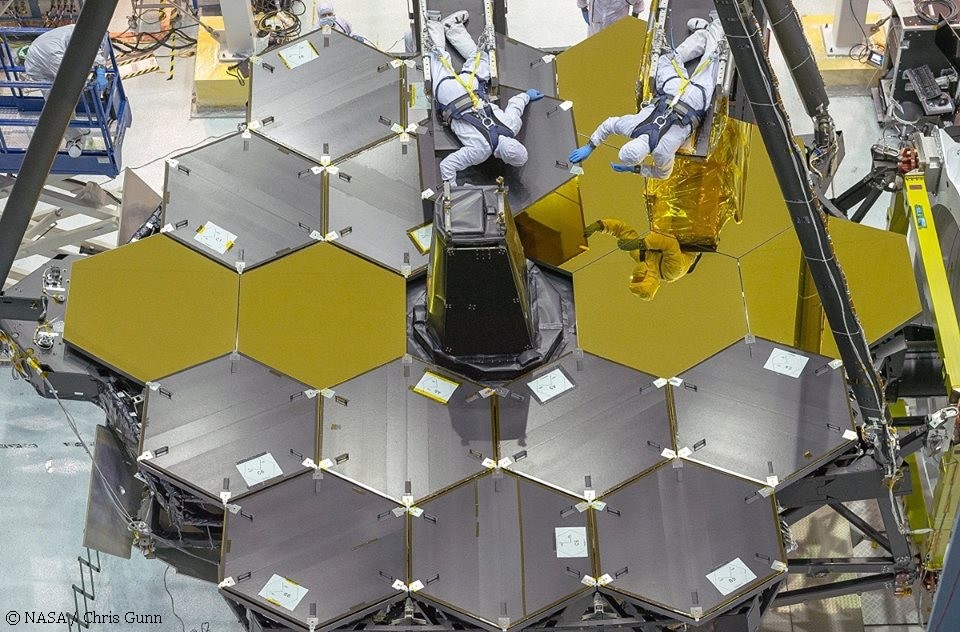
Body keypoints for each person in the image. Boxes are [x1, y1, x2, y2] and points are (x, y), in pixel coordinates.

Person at [569, 15, 724, 180]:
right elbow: (608, 125)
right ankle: (704, 34)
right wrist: (591, 146)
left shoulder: (662, 153)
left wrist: (635, 170)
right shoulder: (631, 127)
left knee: (711, 63)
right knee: (668, 60)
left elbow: (662, 174)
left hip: (695, 101)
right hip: (673, 90)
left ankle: (712, 29)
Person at [427, 11, 544, 185]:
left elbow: (515, 105)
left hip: (471, 88)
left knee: (482, 59)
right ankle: (434, 24)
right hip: (449, 96)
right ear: (504, 159)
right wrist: (454, 190)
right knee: (439, 59)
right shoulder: (480, 152)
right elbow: (447, 165)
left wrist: (526, 95)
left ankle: (453, 27)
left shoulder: (512, 126)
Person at [23, 24, 108, 159]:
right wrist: (85, 83)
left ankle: (76, 129)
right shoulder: (56, 55)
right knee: (59, 103)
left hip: (48, 51)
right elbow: (69, 79)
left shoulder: (88, 28)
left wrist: (101, 69)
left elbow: (96, 48)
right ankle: (73, 139)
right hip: (41, 66)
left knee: (69, 93)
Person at [584, 220, 697, 300]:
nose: (635, 275)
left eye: (634, 278)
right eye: (638, 279)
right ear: (649, 281)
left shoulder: (639, 256)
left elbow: (622, 231)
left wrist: (601, 225)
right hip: (692, 232)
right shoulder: (671, 271)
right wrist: (642, 243)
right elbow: (670, 242)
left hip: (669, 223)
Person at [577, 0, 644, 36]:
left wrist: (633, 20)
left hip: (617, 30)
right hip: (595, 27)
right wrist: (584, 9)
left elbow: (639, 4)